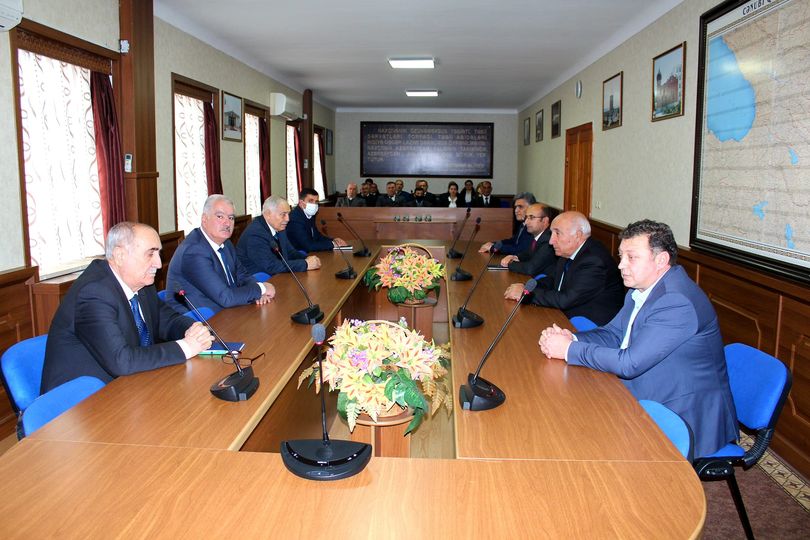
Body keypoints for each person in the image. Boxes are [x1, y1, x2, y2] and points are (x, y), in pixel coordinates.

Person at [538, 219, 738, 457]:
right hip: (652, 388)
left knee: (584, 433)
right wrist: (573, 338)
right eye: (621, 256)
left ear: (661, 260)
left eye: (631, 257)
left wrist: (569, 350)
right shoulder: (640, 289)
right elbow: (614, 334)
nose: (621, 265)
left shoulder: (676, 301)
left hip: (684, 413)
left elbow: (629, 363)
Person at [40, 222, 215, 393]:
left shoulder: (141, 283)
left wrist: (193, 329)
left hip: (126, 386)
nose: (159, 264)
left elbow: (166, 320)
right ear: (120, 256)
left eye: (158, 254)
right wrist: (186, 347)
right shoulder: (94, 293)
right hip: (78, 404)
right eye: (150, 254)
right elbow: (122, 361)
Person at [504, 211, 624, 325]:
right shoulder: (567, 251)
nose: (551, 241)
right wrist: (526, 288)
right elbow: (553, 279)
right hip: (569, 310)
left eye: (557, 233)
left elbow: (566, 299)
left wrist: (527, 295)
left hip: (589, 321)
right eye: (551, 234)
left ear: (578, 235)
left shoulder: (594, 260)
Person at [166, 195, 276, 315]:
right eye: (220, 216)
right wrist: (262, 288)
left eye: (231, 218)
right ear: (204, 219)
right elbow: (225, 298)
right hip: (200, 322)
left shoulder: (226, 243)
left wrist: (259, 293)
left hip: (227, 311)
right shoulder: (194, 251)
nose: (227, 223)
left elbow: (242, 276)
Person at [237, 196, 321, 276]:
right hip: (259, 281)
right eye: (283, 214)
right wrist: (305, 264)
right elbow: (270, 266)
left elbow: (290, 252)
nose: (288, 219)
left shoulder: (279, 226)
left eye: (288, 214)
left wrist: (308, 259)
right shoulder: (255, 234)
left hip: (278, 275)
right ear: (267, 214)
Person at [498, 203, 557, 277]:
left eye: (531, 217)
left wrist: (509, 264)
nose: (526, 222)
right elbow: (528, 254)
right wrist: (515, 257)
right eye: (526, 217)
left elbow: (530, 268)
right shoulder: (536, 236)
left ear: (545, 220)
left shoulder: (548, 240)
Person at [287, 188, 348, 252]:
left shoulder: (309, 215)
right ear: (301, 203)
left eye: (316, 202)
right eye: (311, 201)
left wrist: (333, 240)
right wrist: (333, 244)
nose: (314, 204)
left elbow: (317, 236)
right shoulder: (295, 219)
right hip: (297, 256)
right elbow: (308, 246)